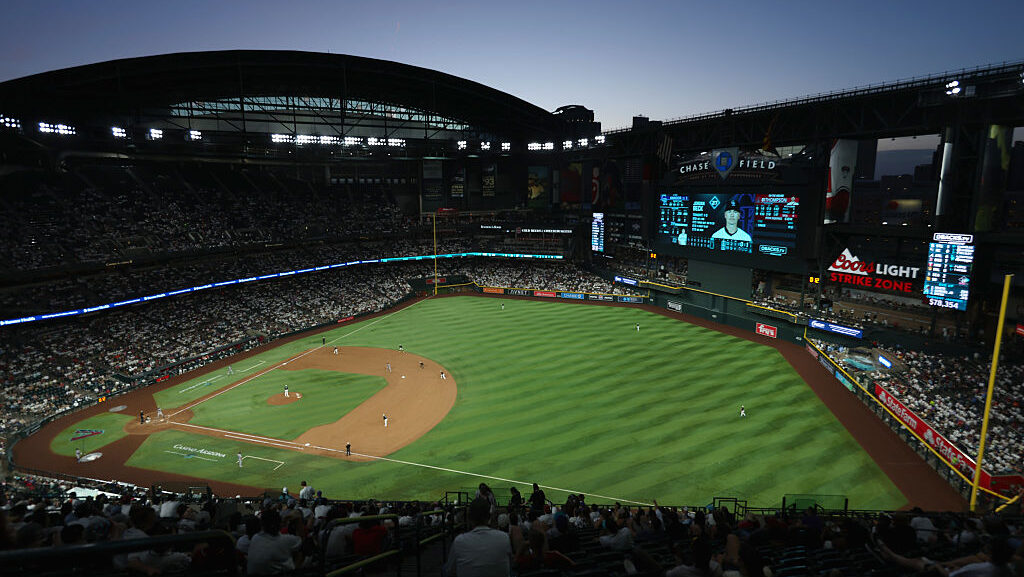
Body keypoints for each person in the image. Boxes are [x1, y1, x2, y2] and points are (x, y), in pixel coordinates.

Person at [444, 497, 512, 577]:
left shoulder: (459, 541)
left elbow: (450, 571)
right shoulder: (504, 538)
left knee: (444, 569)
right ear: (489, 516)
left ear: (469, 517)